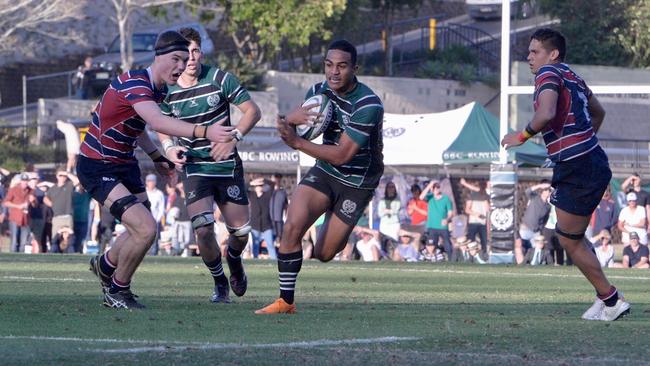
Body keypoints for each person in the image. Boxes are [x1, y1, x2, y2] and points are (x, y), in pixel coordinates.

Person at [80, 30, 235, 309]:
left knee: (139, 228)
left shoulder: (158, 89)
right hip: (97, 165)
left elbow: (140, 127)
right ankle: (117, 290)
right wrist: (206, 131)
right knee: (146, 228)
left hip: (124, 165)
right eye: (175, 59)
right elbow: (157, 122)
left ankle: (105, 266)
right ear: (158, 57)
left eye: (185, 59)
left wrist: (156, 156)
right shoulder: (135, 83)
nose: (181, 66)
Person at [501, 28, 629, 321]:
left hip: (578, 165)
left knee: (568, 239)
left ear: (552, 54)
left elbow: (545, 114)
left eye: (535, 51)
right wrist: (582, 142)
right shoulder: (573, 76)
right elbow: (599, 113)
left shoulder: (548, 74)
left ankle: (611, 300)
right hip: (589, 160)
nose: (529, 57)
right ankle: (605, 298)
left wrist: (521, 136)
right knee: (571, 236)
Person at [255, 40, 383, 314]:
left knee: (324, 253)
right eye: (328, 65)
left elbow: (343, 154)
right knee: (291, 228)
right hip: (325, 171)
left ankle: (343, 227)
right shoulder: (317, 92)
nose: (333, 72)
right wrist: (288, 119)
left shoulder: (368, 104)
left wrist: (297, 143)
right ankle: (285, 302)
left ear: (354, 68)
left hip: (358, 182)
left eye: (341, 66)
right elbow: (297, 130)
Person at [158, 27, 260, 302]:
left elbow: (253, 111)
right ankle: (219, 284)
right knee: (202, 228)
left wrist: (234, 137)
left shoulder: (219, 78)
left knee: (240, 233)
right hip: (195, 168)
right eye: (184, 54)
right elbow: (161, 125)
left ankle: (235, 259)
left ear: (201, 52)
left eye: (195, 52)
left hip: (226, 166)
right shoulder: (167, 89)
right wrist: (169, 148)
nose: (190, 59)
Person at [420, 181, 454, 259]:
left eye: (437, 187)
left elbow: (450, 212)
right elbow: (421, 197)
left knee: (447, 244)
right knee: (432, 244)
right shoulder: (430, 197)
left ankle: (451, 260)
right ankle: (433, 259)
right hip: (432, 226)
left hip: (442, 226)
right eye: (434, 188)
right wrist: (430, 185)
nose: (436, 189)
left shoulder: (446, 199)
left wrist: (447, 219)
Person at [2, 173, 31, 253]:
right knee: (14, 240)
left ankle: (21, 260)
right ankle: (12, 259)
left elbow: (35, 205)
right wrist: (18, 206)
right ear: (20, 181)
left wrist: (33, 201)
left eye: (26, 181)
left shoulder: (30, 190)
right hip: (15, 218)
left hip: (25, 219)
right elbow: (5, 202)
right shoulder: (13, 189)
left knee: (23, 242)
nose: (25, 182)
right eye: (23, 181)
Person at [248, 178, 276, 259]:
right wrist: (251, 183)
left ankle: (275, 262)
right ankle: (255, 261)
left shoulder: (267, 195)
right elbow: (243, 187)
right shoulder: (251, 195)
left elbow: (272, 185)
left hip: (267, 225)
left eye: (261, 185)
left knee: (270, 245)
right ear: (255, 187)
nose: (259, 187)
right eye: (258, 186)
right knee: (255, 246)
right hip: (255, 225)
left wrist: (264, 180)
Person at [464, 181, 490, 254]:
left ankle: (484, 255)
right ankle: (469, 255)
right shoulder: (471, 196)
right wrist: (476, 214)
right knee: (470, 240)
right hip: (473, 222)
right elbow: (467, 209)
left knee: (484, 241)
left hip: (483, 223)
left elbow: (488, 209)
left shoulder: (486, 196)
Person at [144, 174, 165, 255]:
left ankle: (153, 254)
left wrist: (157, 220)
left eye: (152, 181)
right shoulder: (143, 193)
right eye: (149, 181)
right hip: (143, 220)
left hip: (154, 220)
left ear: (155, 182)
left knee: (154, 239)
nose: (150, 183)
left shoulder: (159, 194)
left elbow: (161, 209)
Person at [269, 173, 288, 245]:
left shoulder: (283, 192)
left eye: (279, 179)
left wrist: (286, 216)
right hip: (269, 219)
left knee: (279, 237)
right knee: (270, 238)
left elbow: (286, 205)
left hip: (279, 219)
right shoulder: (268, 191)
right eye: (275, 178)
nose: (277, 180)